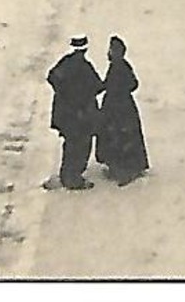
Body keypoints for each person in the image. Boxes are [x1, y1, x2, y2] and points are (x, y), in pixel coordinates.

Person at [46, 36, 105, 190]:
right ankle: (74, 178)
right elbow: (97, 86)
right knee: (81, 146)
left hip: (66, 115)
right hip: (82, 116)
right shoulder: (85, 68)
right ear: (85, 49)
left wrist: (65, 95)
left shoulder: (64, 63)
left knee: (69, 145)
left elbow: (52, 77)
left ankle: (66, 174)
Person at [95, 36, 150, 186]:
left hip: (115, 107)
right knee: (127, 135)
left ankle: (121, 168)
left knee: (116, 135)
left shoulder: (116, 67)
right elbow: (133, 84)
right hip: (125, 106)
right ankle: (131, 165)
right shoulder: (123, 65)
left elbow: (110, 85)